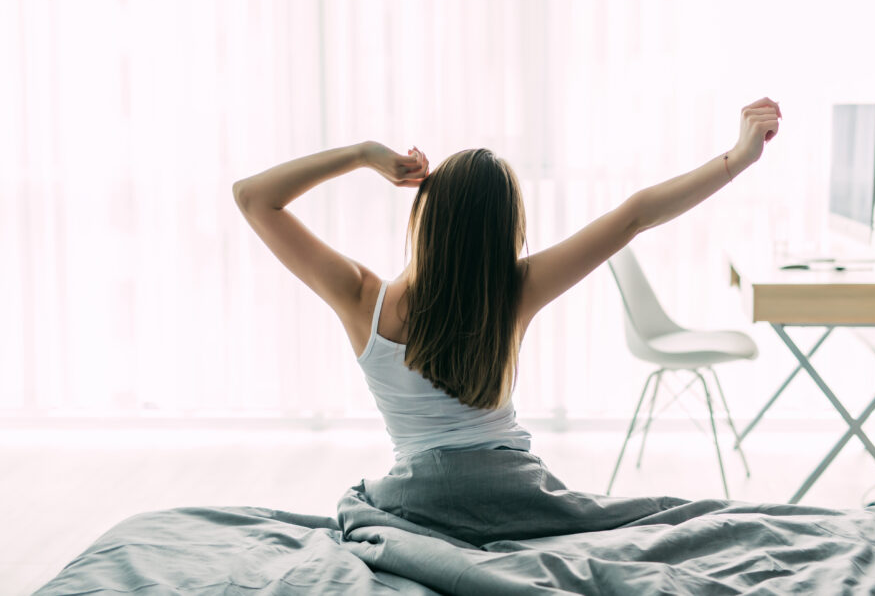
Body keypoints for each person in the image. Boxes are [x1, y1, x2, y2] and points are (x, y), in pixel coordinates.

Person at [232, 96, 781, 540]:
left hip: (415, 503)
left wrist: (362, 155)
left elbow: (254, 198)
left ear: (424, 212)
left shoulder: (362, 301)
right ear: (504, 230)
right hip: (515, 496)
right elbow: (635, 215)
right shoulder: (515, 290)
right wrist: (738, 157)